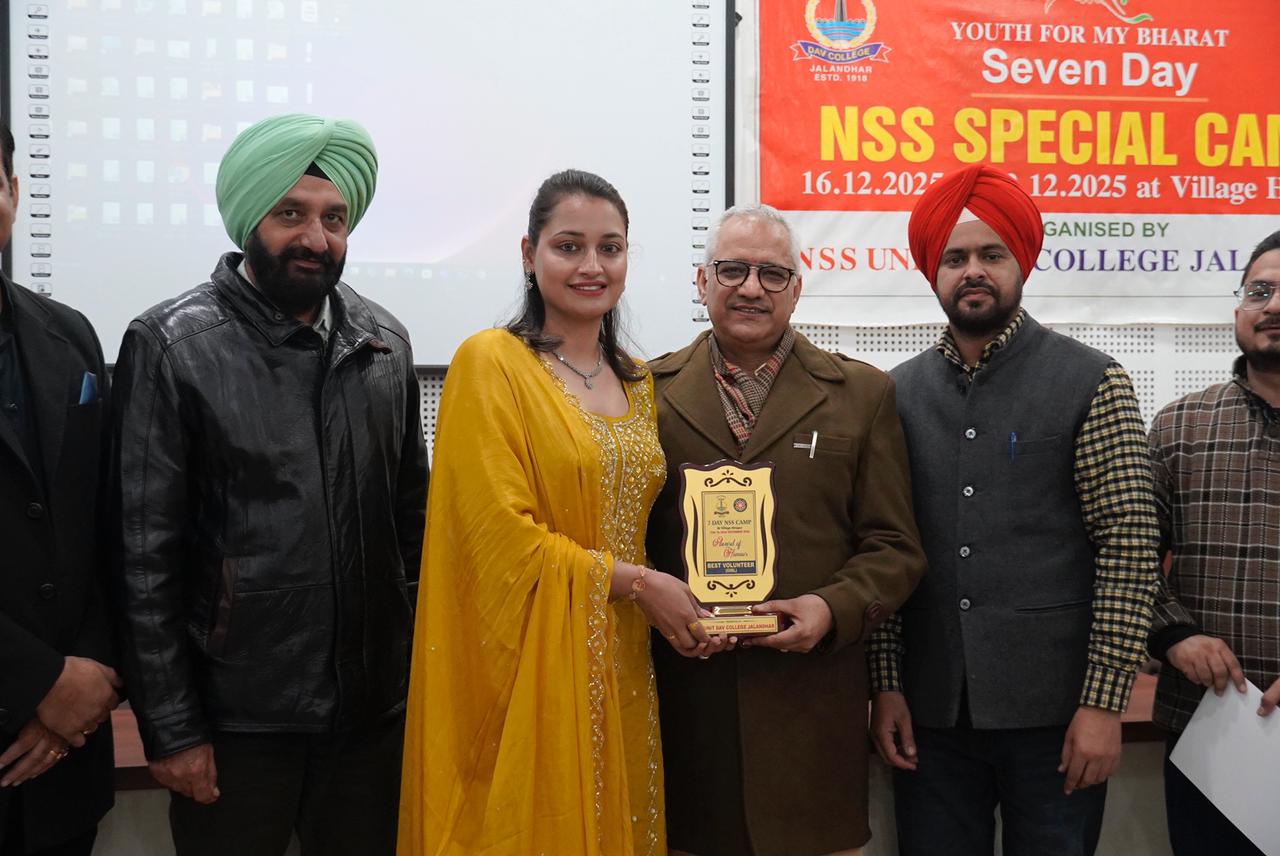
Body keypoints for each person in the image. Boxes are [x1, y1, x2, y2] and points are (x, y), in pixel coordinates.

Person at [111, 113, 428, 856]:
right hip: (235, 723)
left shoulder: (384, 344)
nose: (316, 238)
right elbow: (141, 559)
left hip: (369, 721)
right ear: (250, 217)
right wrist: (172, 728)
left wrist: (413, 686)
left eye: (334, 219)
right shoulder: (171, 345)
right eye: (291, 214)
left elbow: (412, 531)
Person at [398, 169, 719, 856]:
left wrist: (700, 606)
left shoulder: (638, 381)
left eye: (611, 248)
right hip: (528, 668)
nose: (591, 266)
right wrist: (639, 585)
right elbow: (495, 538)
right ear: (529, 253)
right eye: (569, 246)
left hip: (622, 665)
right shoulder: (491, 363)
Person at [868, 163, 1162, 856]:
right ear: (933, 273)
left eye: (991, 254)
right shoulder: (893, 394)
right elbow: (884, 551)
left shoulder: (1093, 381)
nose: (973, 270)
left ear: (1021, 262)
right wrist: (887, 685)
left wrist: (1103, 704)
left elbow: (1129, 546)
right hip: (933, 720)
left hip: (1057, 715)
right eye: (955, 258)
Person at [645, 203, 927, 856]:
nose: (752, 287)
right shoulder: (643, 395)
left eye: (772, 274)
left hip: (812, 717)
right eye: (733, 270)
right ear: (702, 281)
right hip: (688, 717)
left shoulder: (862, 395)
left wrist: (831, 608)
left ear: (796, 289)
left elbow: (895, 548)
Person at [0, 121, 120, 856]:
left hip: (66, 766)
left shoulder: (69, 333)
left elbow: (110, 522)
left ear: (13, 192)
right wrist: (39, 682)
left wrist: (91, 680)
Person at [1147, 230, 1280, 856]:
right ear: (1238, 306)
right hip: (1209, 731)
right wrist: (1175, 635)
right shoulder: (1180, 426)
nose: (1274, 306)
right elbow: (1126, 559)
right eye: (1260, 291)